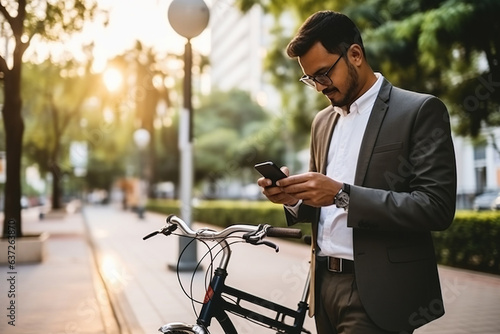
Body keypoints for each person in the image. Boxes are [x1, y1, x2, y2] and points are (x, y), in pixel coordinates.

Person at [257, 10, 457, 334]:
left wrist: (342, 194)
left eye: (323, 73)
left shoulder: (419, 111)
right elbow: (320, 201)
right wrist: (292, 196)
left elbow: (436, 207)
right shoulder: (321, 122)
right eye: (311, 79)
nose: (320, 86)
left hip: (378, 293)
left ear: (355, 54)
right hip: (322, 289)